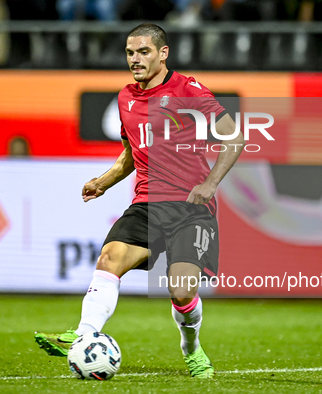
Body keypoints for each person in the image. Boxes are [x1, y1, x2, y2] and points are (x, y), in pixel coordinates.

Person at [34, 23, 243, 378]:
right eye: (130, 53)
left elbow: (234, 138)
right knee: (110, 256)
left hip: (191, 208)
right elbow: (131, 153)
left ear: (163, 53)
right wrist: (104, 182)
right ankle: (83, 335)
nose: (135, 59)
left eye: (143, 52)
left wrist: (210, 183)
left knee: (181, 292)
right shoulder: (125, 98)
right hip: (147, 203)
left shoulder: (187, 90)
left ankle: (190, 347)